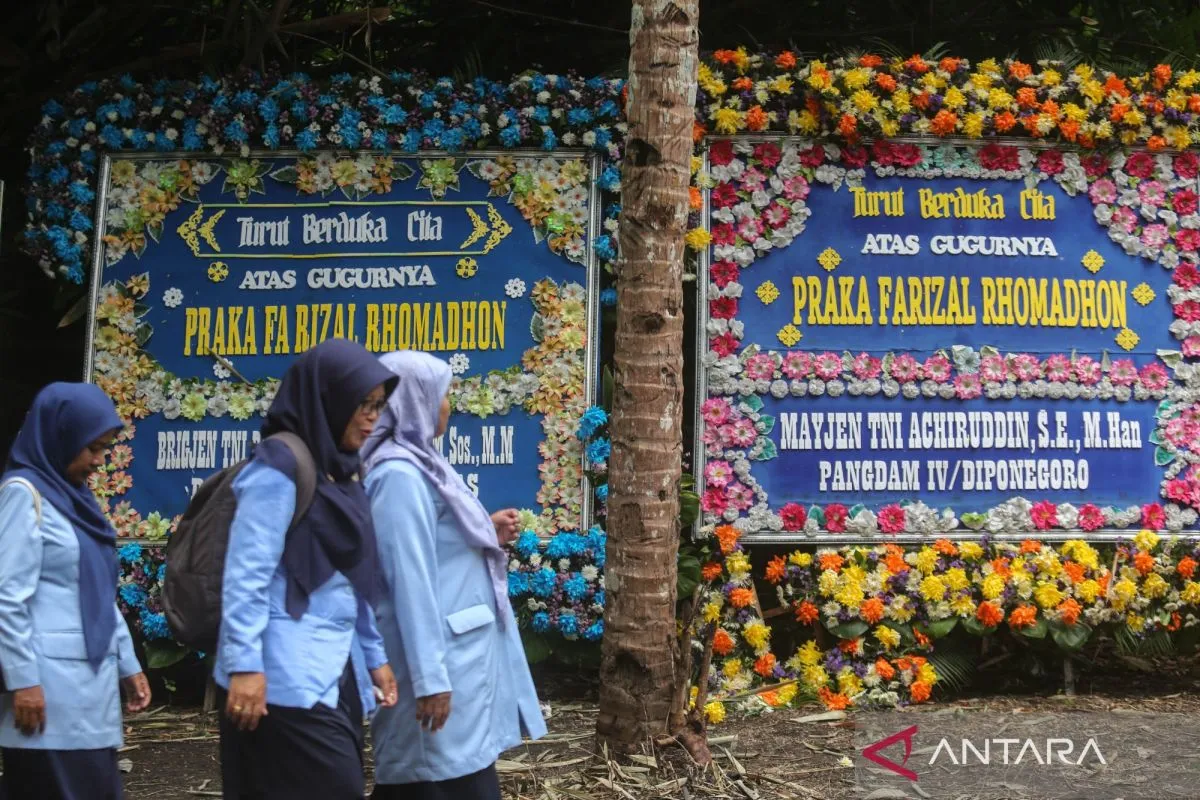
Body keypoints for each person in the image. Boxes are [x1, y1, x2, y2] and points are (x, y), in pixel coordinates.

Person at [216, 338, 401, 800]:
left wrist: (375, 657)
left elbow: (354, 575)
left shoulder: (341, 470)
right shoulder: (280, 465)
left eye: (379, 405)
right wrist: (243, 666)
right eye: (362, 404)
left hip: (335, 670)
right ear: (328, 398)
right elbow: (245, 574)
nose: (371, 417)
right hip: (281, 677)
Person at [362, 350, 547, 800]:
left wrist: (485, 529)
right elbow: (408, 579)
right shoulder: (398, 475)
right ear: (415, 401)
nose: (449, 406)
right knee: (431, 780)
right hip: (435, 663)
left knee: (460, 774)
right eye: (443, 395)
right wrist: (430, 680)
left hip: (456, 657)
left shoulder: (420, 461)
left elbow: (432, 540)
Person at [0, 382, 152, 800]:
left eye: (106, 449)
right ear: (60, 436)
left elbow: (96, 589)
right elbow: (6, 598)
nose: (100, 461)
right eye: (93, 449)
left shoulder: (76, 500)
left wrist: (128, 663)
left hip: (89, 693)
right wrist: (23, 681)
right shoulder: (23, 494)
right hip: (47, 695)